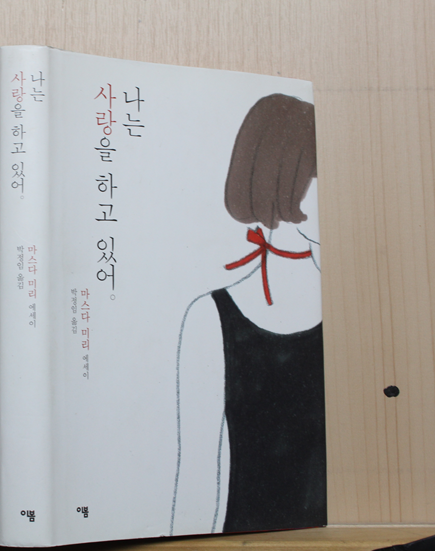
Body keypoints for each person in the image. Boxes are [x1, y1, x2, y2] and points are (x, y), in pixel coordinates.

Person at [169, 94, 326, 535]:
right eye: (322, 174)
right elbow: (197, 474)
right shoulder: (211, 317)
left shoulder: (351, 307)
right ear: (281, 177)